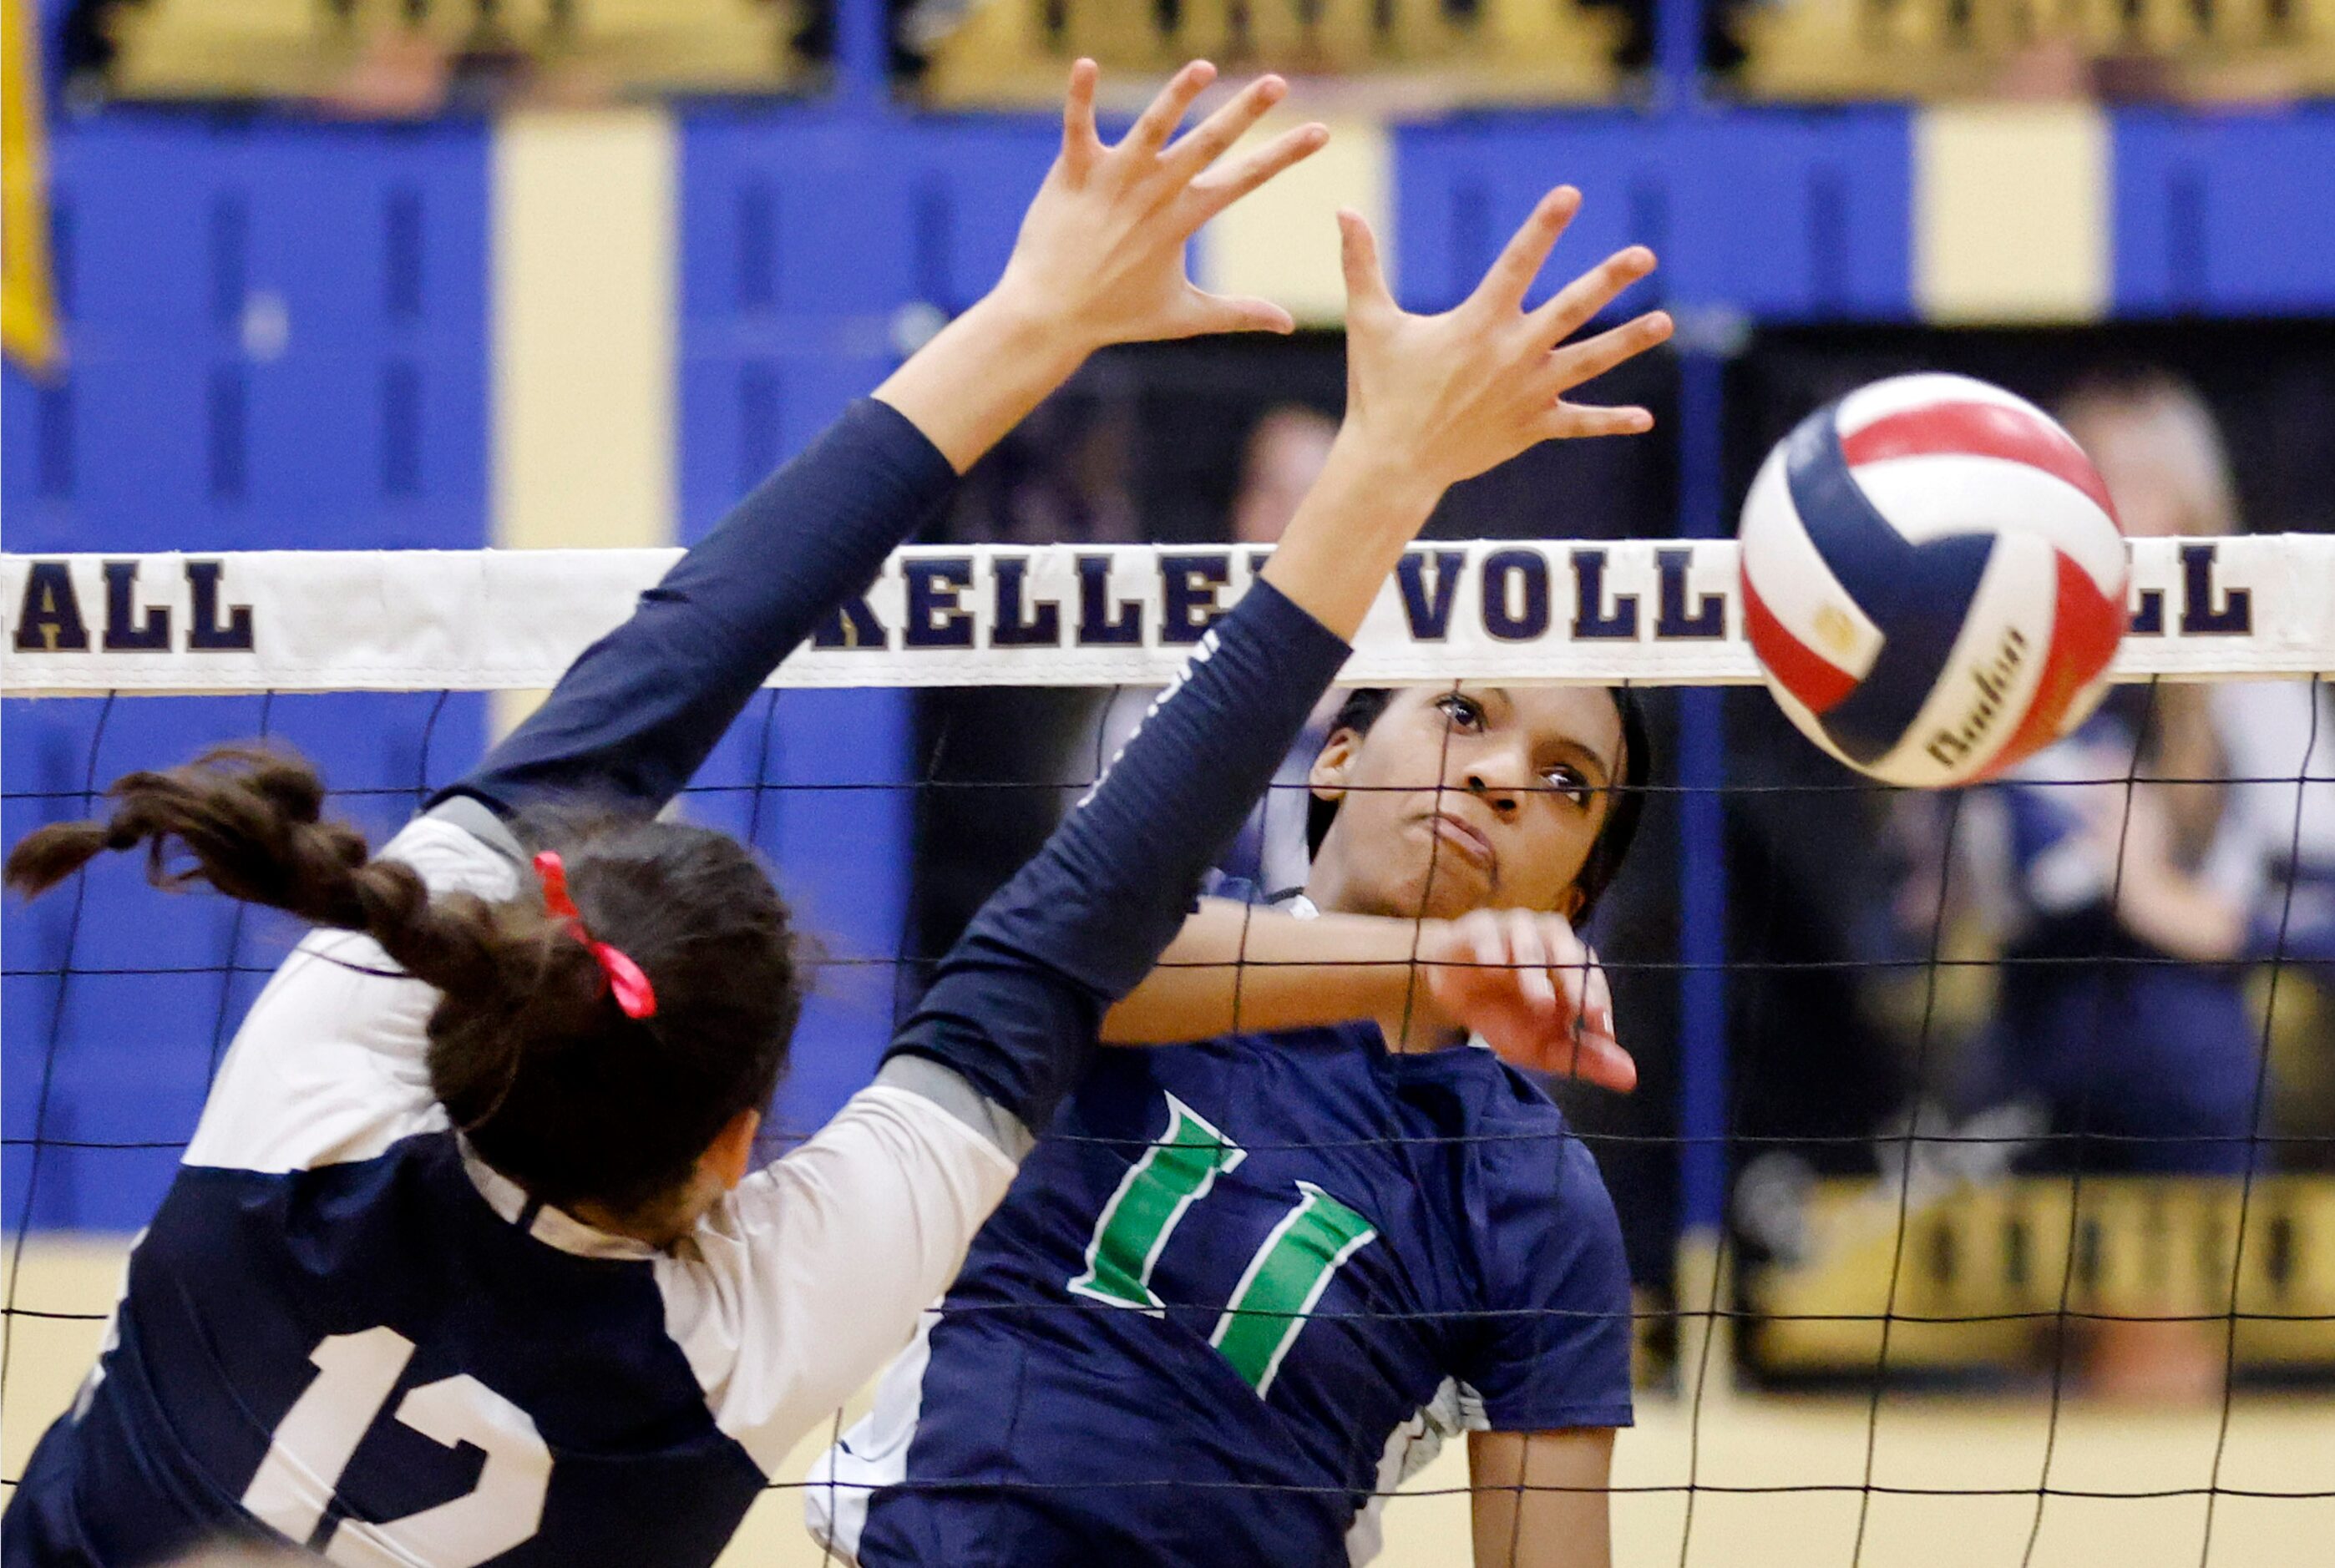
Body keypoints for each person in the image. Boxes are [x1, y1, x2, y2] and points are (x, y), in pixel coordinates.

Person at [0, 60, 1354, 1567]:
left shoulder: (309, 1110)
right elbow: (1049, 951)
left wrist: (1035, 318)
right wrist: (1391, 471)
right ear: (736, 1143)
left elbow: (677, 664)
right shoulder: (746, 1343)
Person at [810, 192, 1672, 1568]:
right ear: (1335, 751)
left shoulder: (1529, 1189)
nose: (1507, 773)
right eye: (1463, 712)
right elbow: (1082, 965)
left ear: (1572, 896)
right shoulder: (1161, 950)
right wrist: (1420, 964)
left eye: (1568, 781)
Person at [1972, 367, 2335, 1399]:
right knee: (2015, 1376)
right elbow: (1975, 884)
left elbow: (2319, 903)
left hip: (2187, 1068)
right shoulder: (2009, 664)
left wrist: (2200, 916)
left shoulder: (2257, 682)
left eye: (2137, 478)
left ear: (2193, 498)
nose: (2110, 506)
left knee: (2159, 1359)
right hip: (2028, 1053)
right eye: (2082, 478)